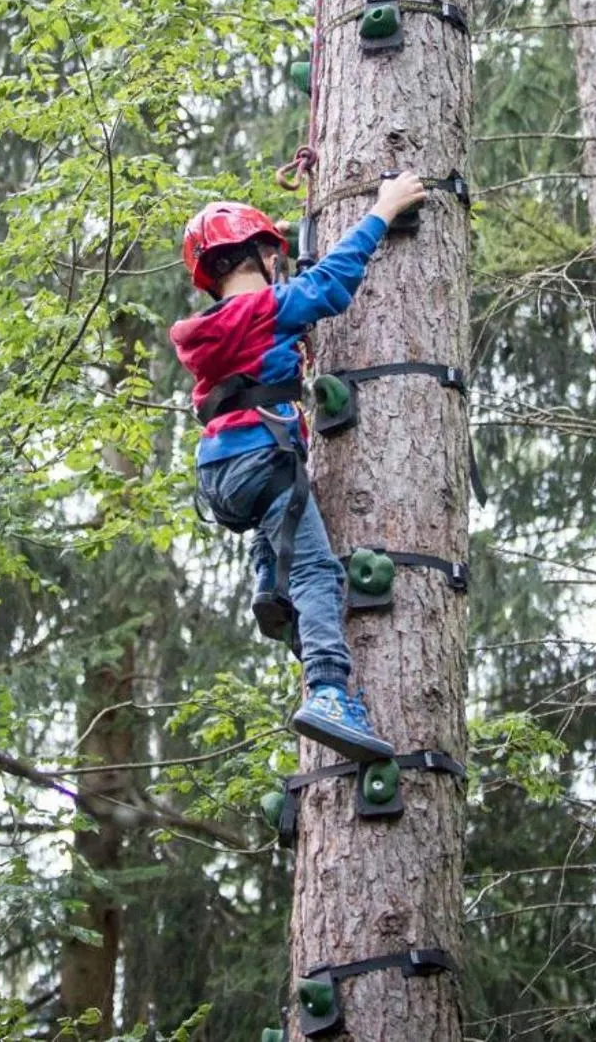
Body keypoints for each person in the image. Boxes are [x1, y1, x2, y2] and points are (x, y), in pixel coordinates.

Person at [170, 173, 428, 762]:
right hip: (265, 455)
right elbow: (331, 285)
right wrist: (383, 211)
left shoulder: (211, 332)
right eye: (271, 256)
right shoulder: (267, 308)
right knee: (318, 571)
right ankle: (330, 691)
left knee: (277, 530)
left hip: (219, 474)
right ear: (259, 257)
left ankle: (270, 586)